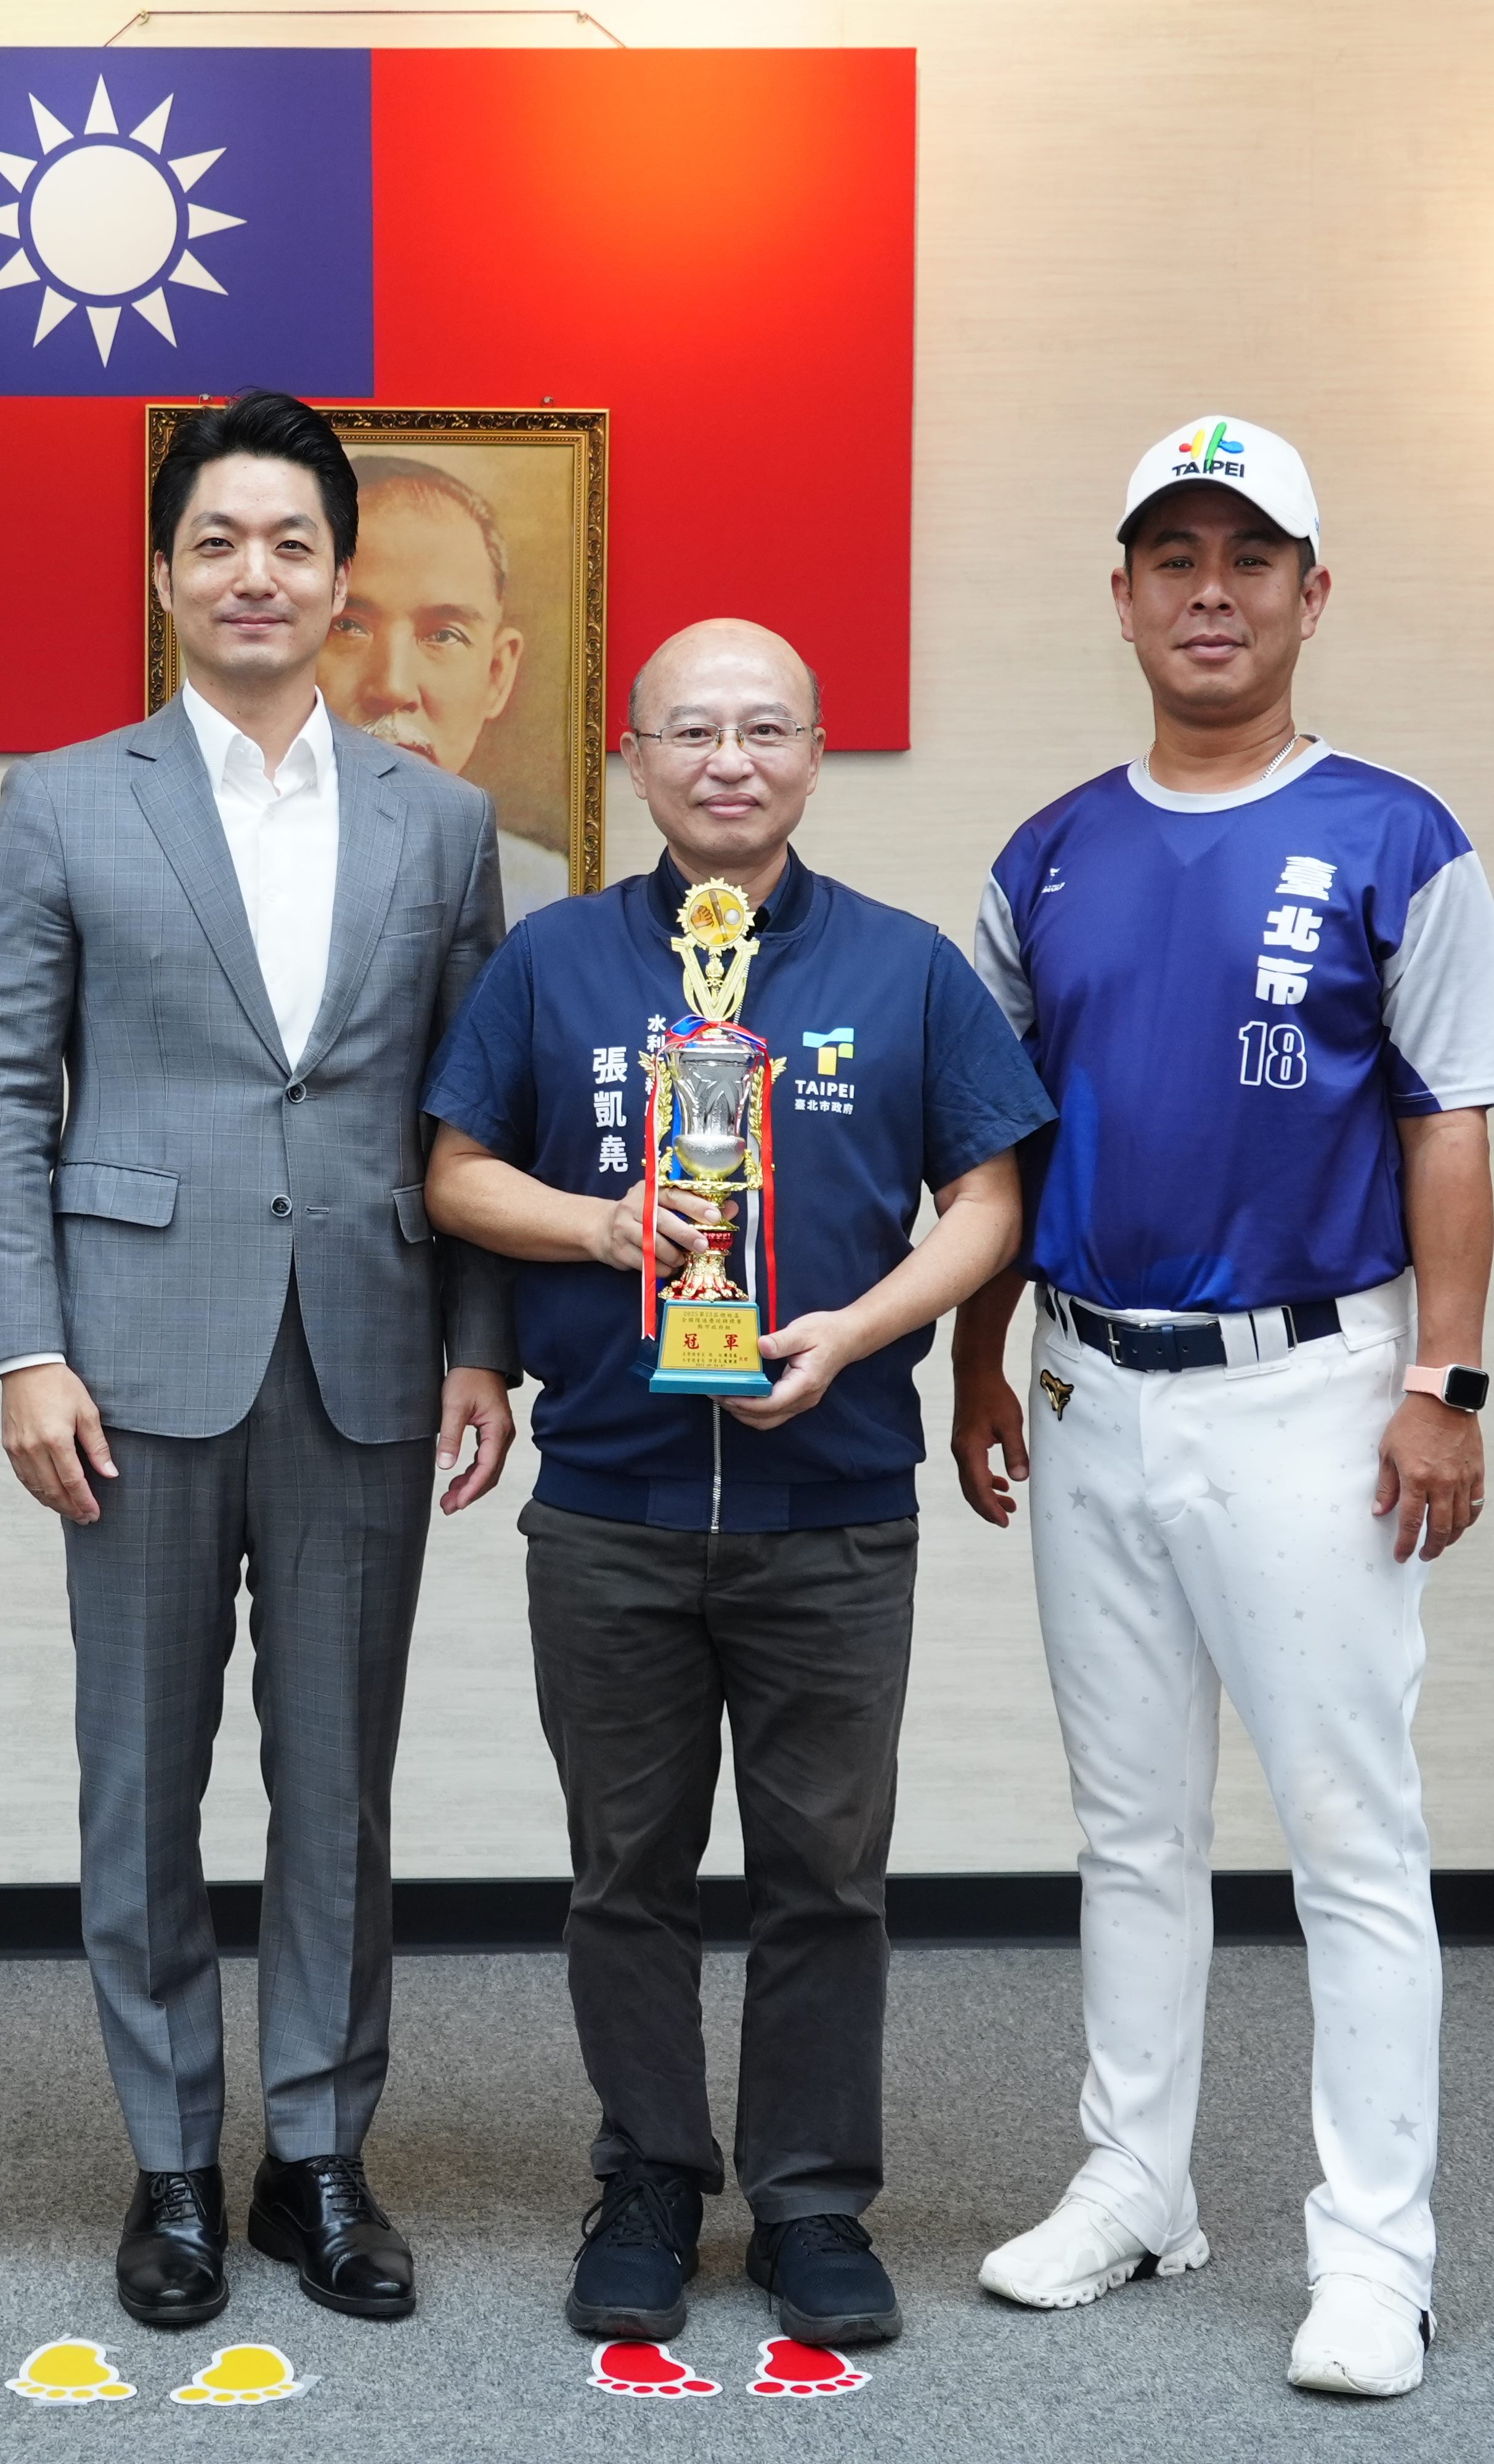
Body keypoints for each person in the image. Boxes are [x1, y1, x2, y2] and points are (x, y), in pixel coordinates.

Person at [951, 416, 1494, 2399]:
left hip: (1311, 1389)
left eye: (1249, 559)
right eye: (1173, 559)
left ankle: (1372, 2255)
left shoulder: (1395, 834)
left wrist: (1446, 1382)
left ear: (1312, 592)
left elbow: (1447, 1116)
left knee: (1348, 1838)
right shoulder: (1044, 853)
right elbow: (1001, 1144)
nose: (1209, 593)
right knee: (1130, 1826)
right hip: (1088, 1385)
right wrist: (978, 1357)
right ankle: (1135, 2185)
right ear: (1123, 596)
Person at [0, 390, 518, 2332]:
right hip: (126, 1359)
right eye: (217, 541)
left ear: (336, 573)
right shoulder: (60, 800)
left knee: (338, 1785)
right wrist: (20, 1347)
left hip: (369, 1349)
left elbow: (468, 1110)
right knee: (140, 1780)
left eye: (290, 541)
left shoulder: (438, 821)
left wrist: (482, 1348)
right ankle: (174, 2163)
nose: (254, 573)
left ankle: (321, 2157)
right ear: (164, 573)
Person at [421, 620, 1052, 2351]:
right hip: (610, 1503)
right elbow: (457, 1173)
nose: (729, 760)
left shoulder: (904, 968)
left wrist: (863, 1330)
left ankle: (810, 2199)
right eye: (691, 730)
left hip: (833, 1507)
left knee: (825, 1876)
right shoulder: (554, 961)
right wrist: (601, 1226)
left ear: (816, 756)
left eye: (766, 729)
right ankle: (646, 2176)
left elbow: (991, 1201)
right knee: (623, 1870)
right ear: (633, 758)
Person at [319, 456, 564, 915]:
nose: (393, 687)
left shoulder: (551, 899)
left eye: (444, 636)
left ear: (496, 675)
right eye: (348, 626)